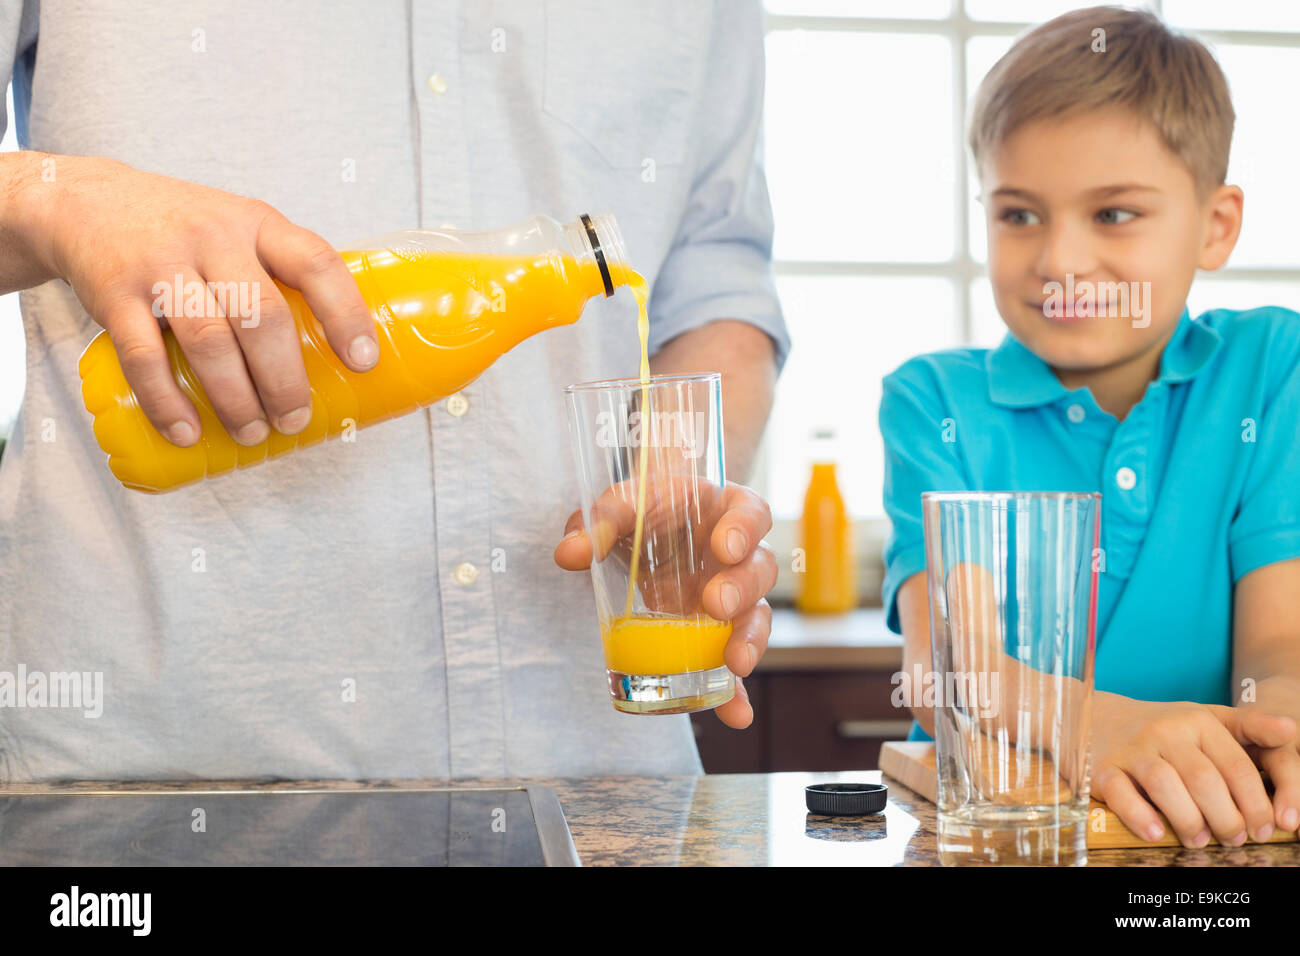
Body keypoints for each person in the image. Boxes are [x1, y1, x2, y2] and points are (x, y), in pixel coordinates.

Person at [0, 1, 786, 781]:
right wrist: (57, 198)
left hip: (592, 770)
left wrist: (673, 487)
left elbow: (716, 283)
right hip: (162, 769)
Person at [879, 6, 1300, 848]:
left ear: (1215, 226)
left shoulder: (1271, 367)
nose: (1060, 261)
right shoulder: (932, 402)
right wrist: (1101, 729)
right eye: (1019, 214)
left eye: (1112, 215)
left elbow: (1279, 641)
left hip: (1191, 833)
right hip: (993, 836)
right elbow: (951, 674)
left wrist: (1280, 733)